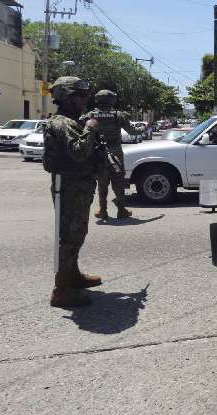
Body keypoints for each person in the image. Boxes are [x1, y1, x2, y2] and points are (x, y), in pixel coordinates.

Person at [42, 77, 103, 308]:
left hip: (77, 188)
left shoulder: (70, 121)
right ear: (67, 97)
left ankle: (72, 275)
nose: (85, 99)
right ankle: (62, 290)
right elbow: (78, 152)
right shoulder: (63, 123)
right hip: (69, 189)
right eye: (80, 95)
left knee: (76, 234)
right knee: (69, 237)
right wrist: (89, 130)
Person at [83, 90, 140, 220]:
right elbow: (132, 131)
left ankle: (103, 210)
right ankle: (121, 210)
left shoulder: (91, 115)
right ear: (110, 100)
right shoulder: (118, 115)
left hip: (98, 152)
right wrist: (144, 129)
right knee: (118, 181)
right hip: (115, 152)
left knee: (102, 182)